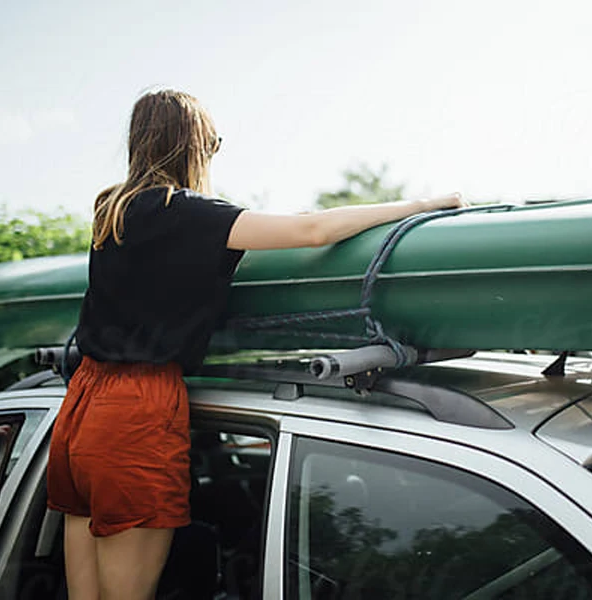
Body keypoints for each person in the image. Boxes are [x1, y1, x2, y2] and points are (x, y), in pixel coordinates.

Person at [46, 88, 465, 600]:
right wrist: (425, 204)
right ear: (195, 146)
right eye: (214, 143)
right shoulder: (192, 215)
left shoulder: (110, 208)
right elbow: (313, 230)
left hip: (83, 403)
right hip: (137, 409)